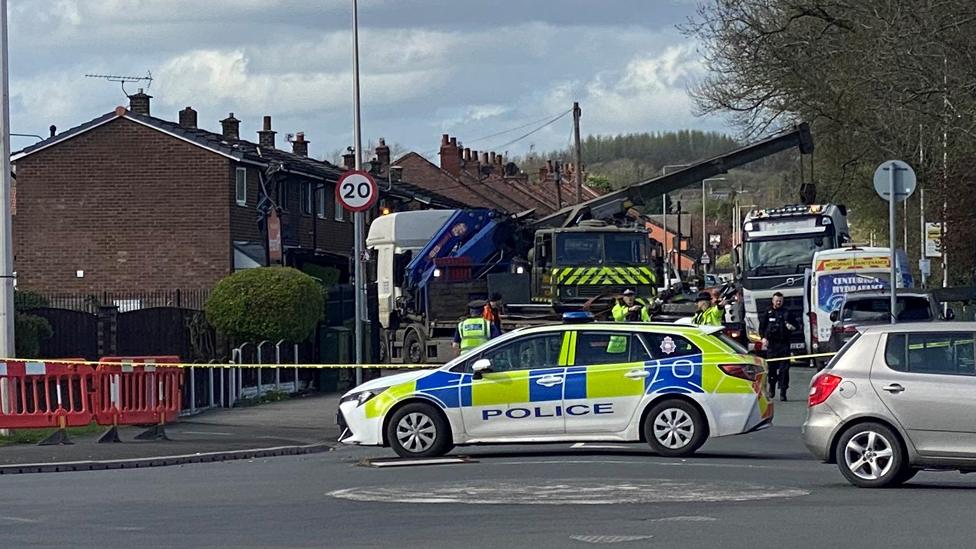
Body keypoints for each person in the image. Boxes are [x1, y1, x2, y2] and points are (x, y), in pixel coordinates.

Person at [760, 291, 799, 401]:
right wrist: (763, 338)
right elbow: (762, 327)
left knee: (784, 370)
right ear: (773, 301)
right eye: (777, 301)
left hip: (784, 344)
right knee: (771, 369)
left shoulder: (787, 312)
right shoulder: (767, 312)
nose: (778, 302)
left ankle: (783, 391)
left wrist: (792, 327)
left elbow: (797, 326)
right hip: (772, 345)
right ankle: (772, 387)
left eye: (780, 301)